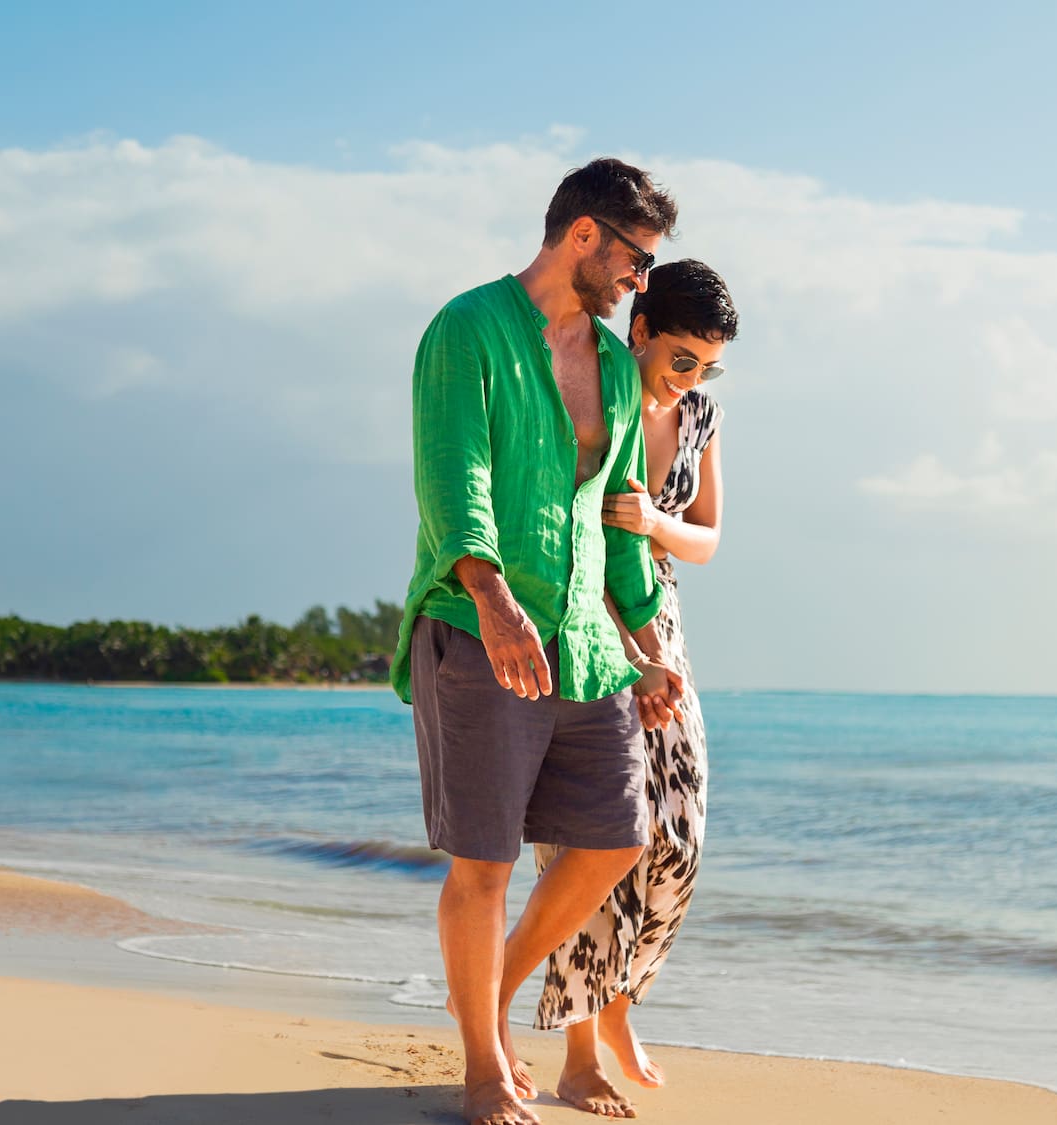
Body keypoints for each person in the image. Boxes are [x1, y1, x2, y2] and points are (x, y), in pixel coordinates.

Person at [390, 157, 687, 1125]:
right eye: (636, 260)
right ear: (585, 236)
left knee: (615, 836)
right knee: (483, 861)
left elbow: (614, 519)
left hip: (586, 646)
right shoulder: (466, 330)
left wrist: (646, 646)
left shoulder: (607, 361)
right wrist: (488, 595)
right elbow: (453, 477)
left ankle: (490, 990)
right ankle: (483, 1068)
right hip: (480, 634)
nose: (639, 283)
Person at [533, 260, 737, 1119]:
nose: (692, 376)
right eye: (683, 357)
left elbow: (709, 539)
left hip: (666, 624)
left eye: (709, 365)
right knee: (589, 840)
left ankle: (617, 1005)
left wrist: (657, 522)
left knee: (679, 842)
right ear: (641, 326)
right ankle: (579, 1057)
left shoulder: (698, 414)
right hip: (584, 618)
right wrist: (626, 648)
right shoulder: (598, 384)